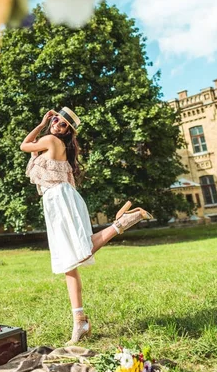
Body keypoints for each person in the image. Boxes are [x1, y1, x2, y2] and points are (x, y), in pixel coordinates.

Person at [20, 107, 153, 344]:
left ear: (67, 131)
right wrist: (45, 122)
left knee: (76, 254)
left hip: (60, 199)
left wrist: (41, 125)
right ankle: (79, 321)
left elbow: (24, 145)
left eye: (62, 125)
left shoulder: (50, 140)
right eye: (55, 120)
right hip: (59, 198)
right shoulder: (60, 146)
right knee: (68, 264)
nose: (56, 125)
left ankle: (122, 223)